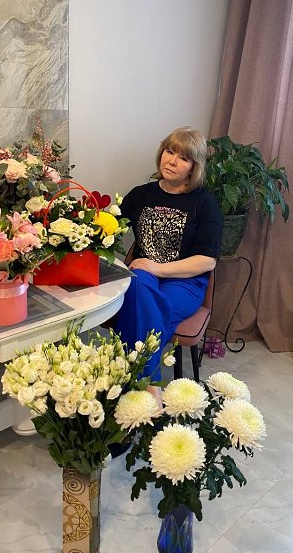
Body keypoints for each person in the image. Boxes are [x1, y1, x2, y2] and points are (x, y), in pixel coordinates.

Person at [115, 126, 223, 403]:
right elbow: (110, 229)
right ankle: (151, 385)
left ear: (194, 167)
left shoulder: (205, 203)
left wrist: (158, 268)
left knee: (148, 307)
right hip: (144, 275)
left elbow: (207, 260)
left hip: (185, 281)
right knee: (138, 289)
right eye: (169, 151)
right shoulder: (140, 195)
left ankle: (132, 385)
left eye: (183, 158)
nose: (172, 161)